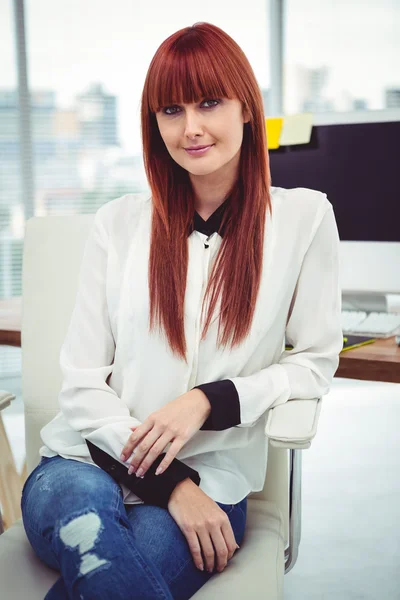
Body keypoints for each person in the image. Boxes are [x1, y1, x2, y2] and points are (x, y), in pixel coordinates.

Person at [21, 21, 343, 600]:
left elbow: (314, 364)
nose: (190, 128)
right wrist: (172, 485)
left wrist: (209, 400)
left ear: (247, 109)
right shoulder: (118, 223)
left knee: (107, 575)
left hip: (214, 478)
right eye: (171, 110)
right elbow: (81, 386)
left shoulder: (304, 220)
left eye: (209, 103)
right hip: (79, 466)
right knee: (87, 526)